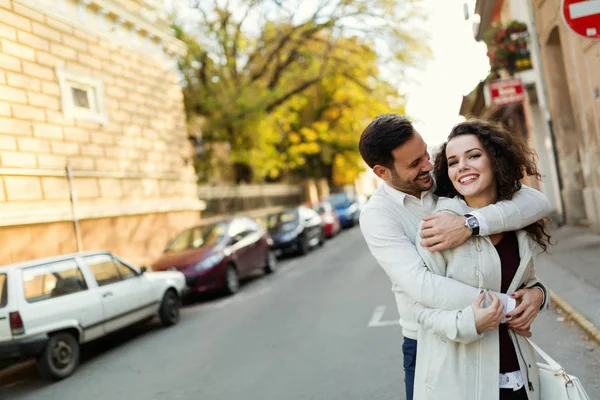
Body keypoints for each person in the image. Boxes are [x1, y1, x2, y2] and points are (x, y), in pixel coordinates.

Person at [358, 114, 550, 400]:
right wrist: (510, 305)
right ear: (382, 172)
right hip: (427, 340)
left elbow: (536, 203)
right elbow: (422, 287)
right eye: (414, 164)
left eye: (425, 154)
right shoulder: (378, 217)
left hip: (502, 337)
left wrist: (469, 224)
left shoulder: (448, 174)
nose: (427, 167)